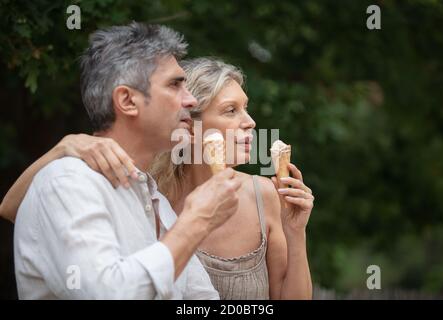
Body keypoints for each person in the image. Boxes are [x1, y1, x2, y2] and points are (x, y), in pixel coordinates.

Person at [2, 57, 314, 299]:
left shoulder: (265, 195)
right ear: (189, 125)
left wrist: (295, 232)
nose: (250, 122)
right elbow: (13, 208)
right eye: (231, 111)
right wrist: (62, 148)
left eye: (246, 108)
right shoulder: (147, 191)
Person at [7, 23, 242, 299]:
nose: (191, 101)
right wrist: (197, 221)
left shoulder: (155, 200)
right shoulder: (68, 182)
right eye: (175, 85)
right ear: (127, 100)